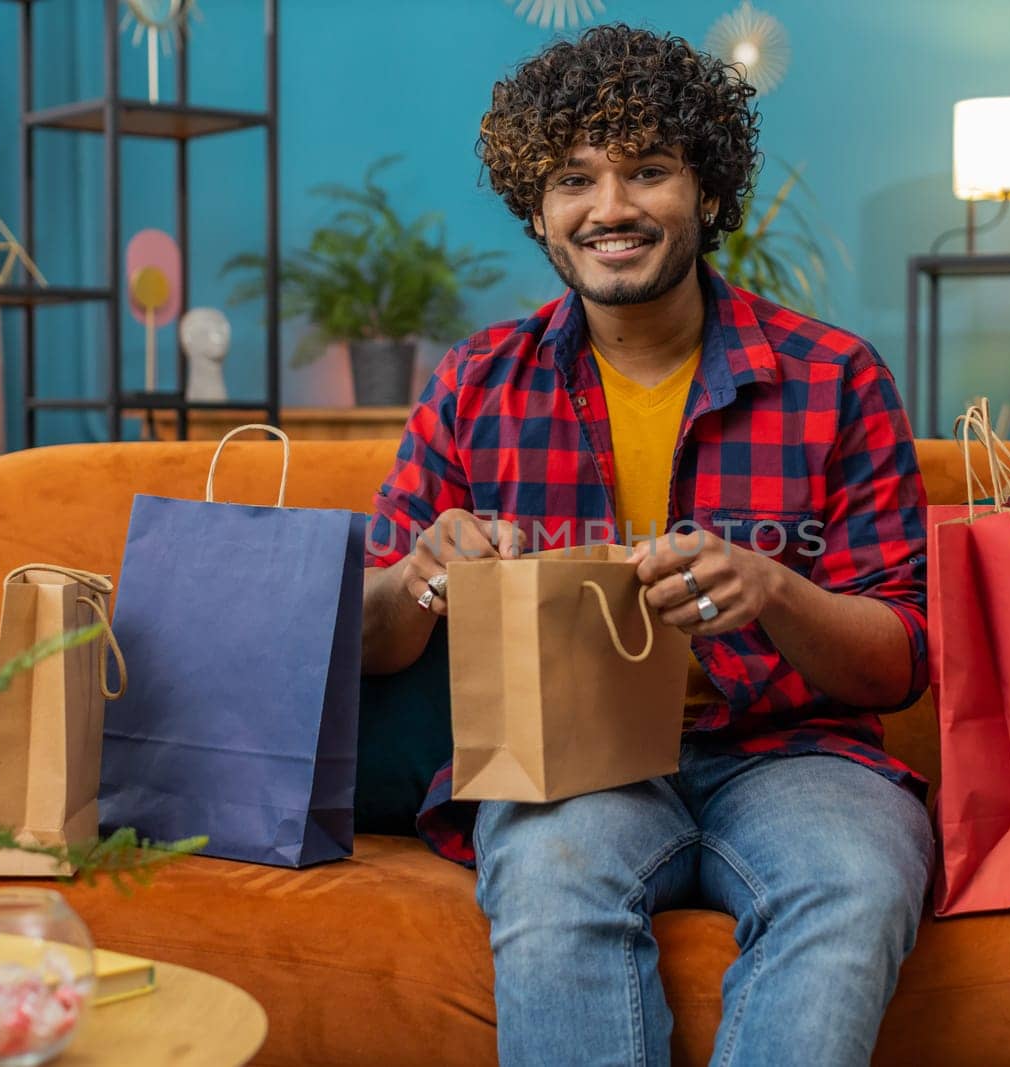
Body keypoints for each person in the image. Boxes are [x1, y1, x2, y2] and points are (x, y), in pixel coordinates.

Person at [361, 23, 932, 1066]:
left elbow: (900, 659)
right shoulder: (476, 381)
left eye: (649, 170)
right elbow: (370, 638)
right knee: (550, 874)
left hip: (794, 752)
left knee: (853, 879)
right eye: (573, 178)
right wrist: (418, 575)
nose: (611, 207)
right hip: (566, 758)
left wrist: (774, 590)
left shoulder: (835, 377)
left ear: (708, 194)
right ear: (537, 210)